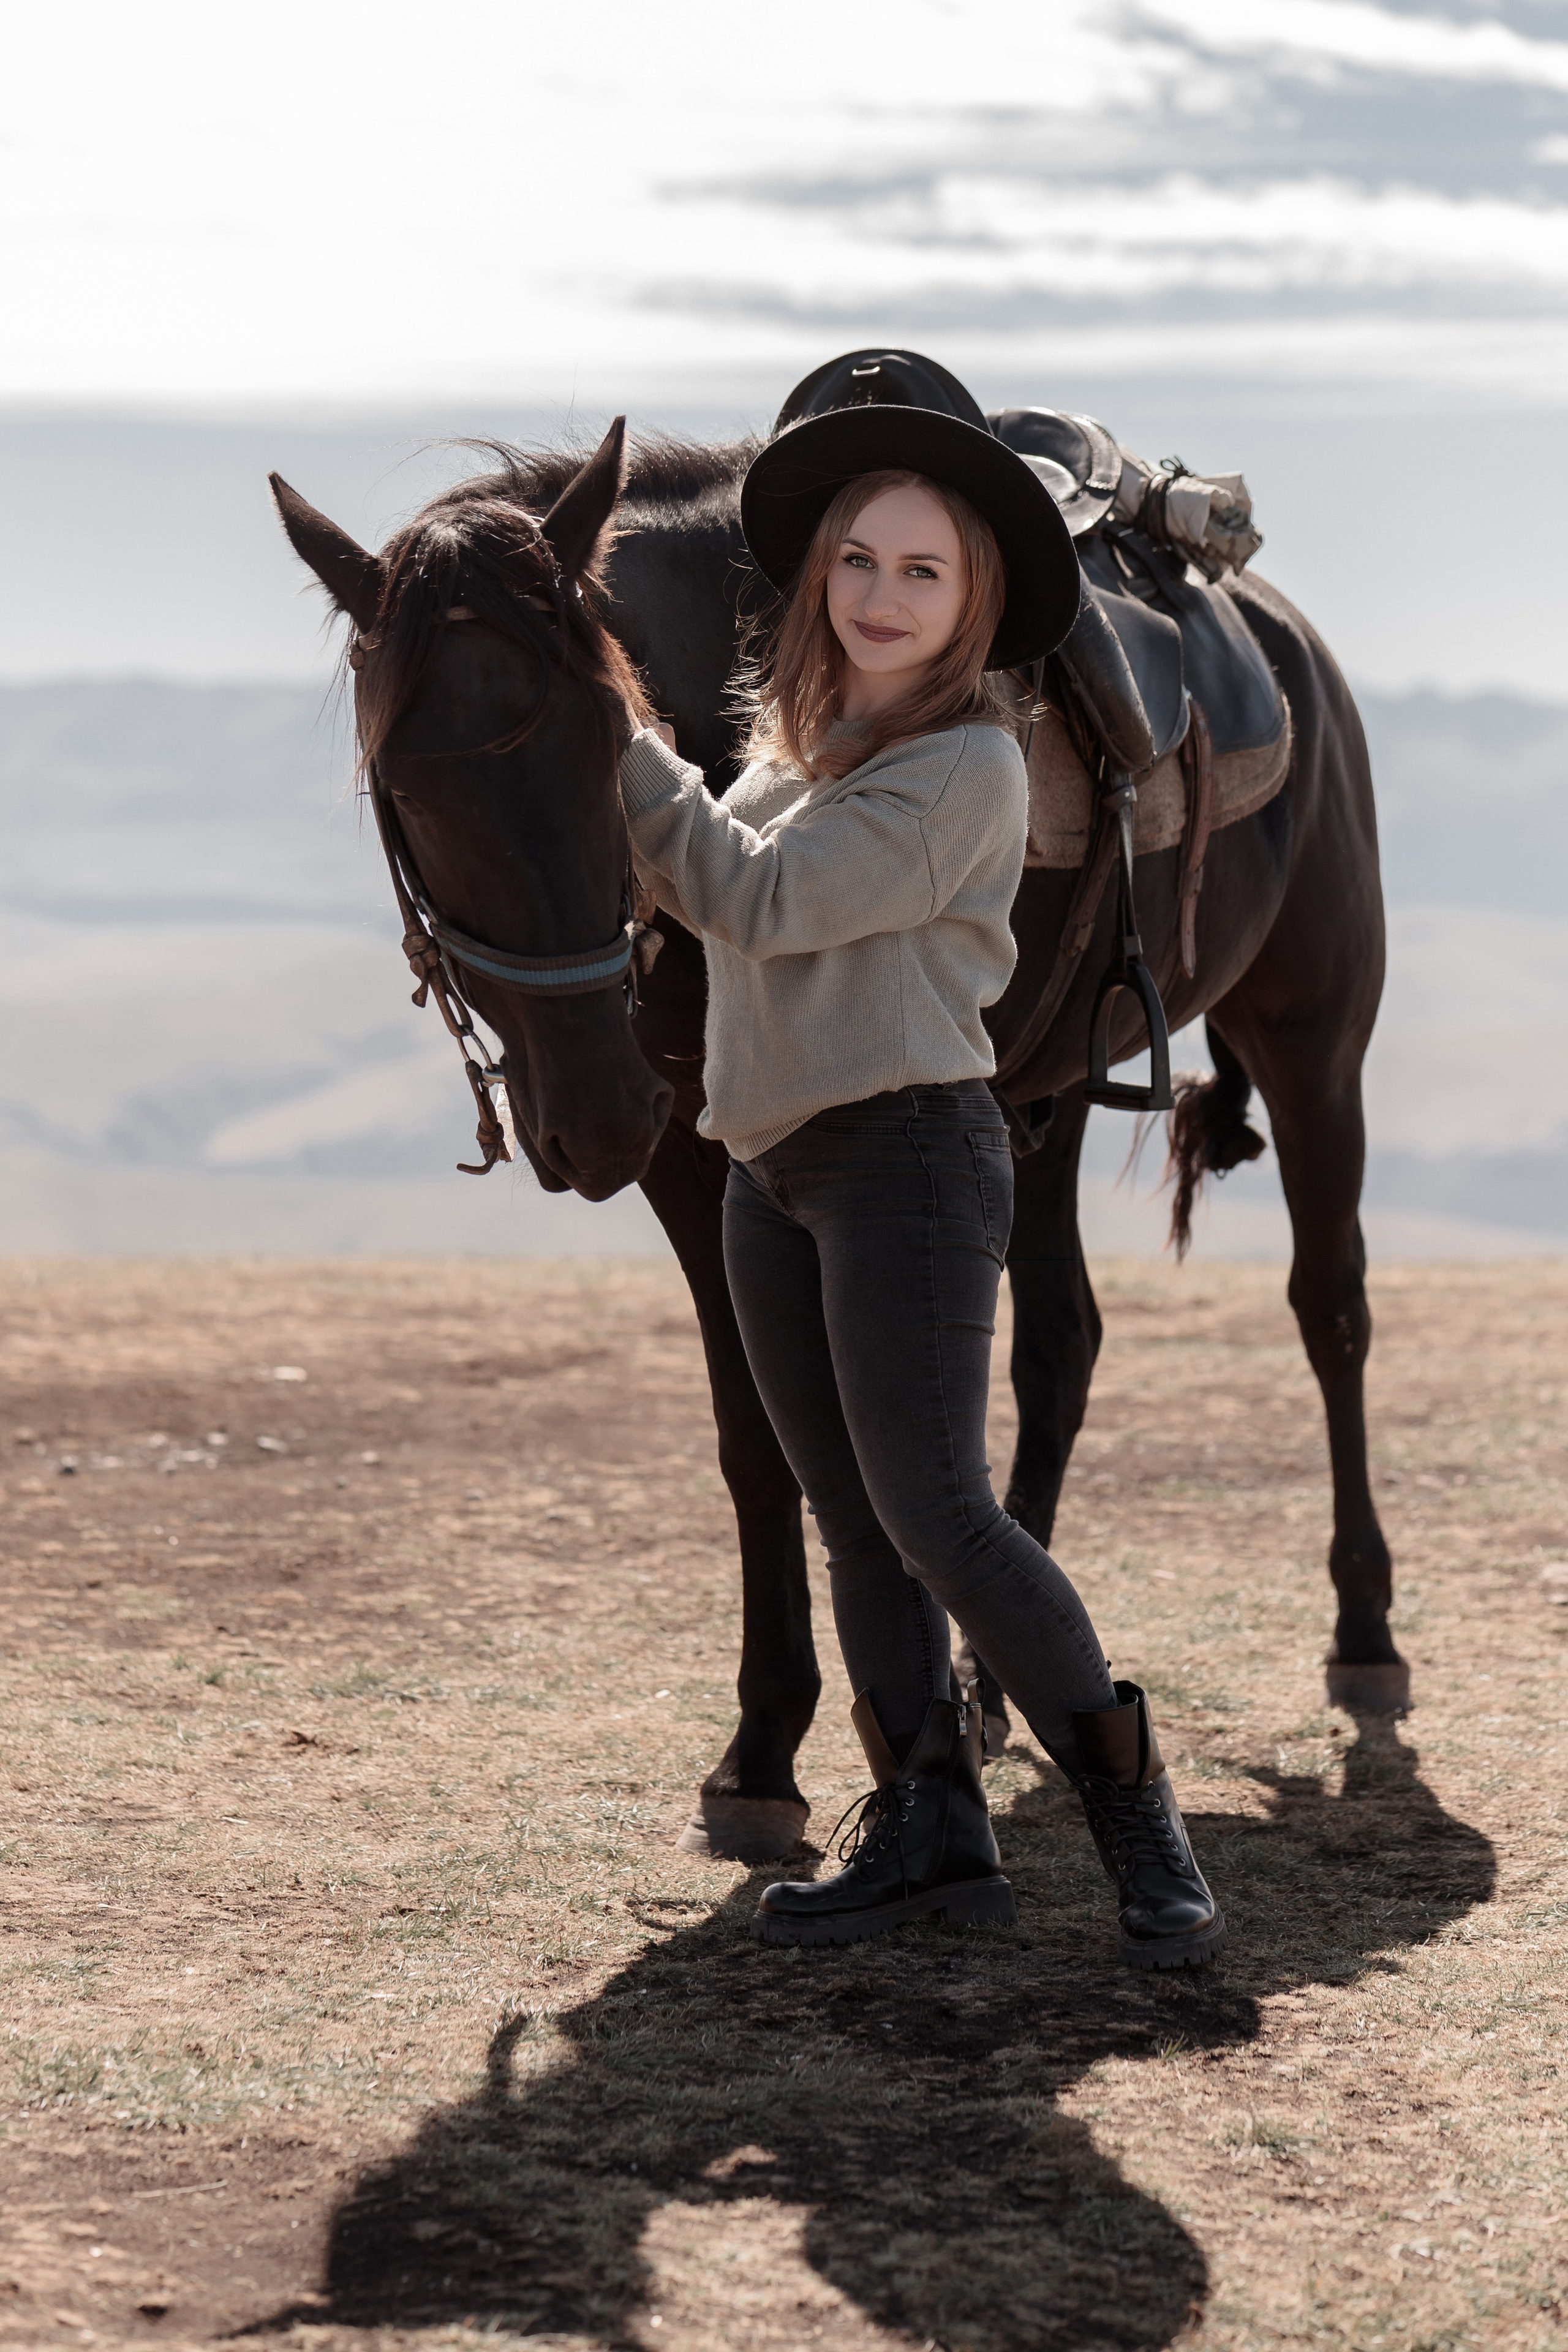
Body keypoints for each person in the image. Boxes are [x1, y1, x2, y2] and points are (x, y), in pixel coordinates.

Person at [618, 399, 1224, 1970]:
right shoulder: (786, 757)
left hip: (903, 1158)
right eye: (860, 562)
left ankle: (1136, 1823)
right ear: (819, 574)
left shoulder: (968, 765)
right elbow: (712, 874)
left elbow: (753, 901)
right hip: (769, 1171)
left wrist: (607, 736)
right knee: (850, 1518)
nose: (882, 596)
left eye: (925, 575)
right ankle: (927, 1829)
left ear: (972, 609)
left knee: (941, 1514)